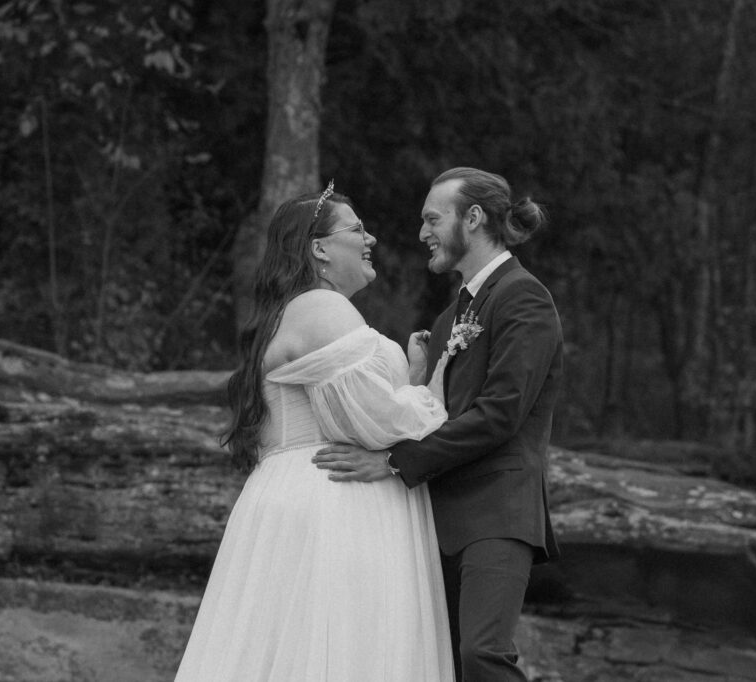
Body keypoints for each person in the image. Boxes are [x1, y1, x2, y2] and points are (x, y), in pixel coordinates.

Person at [174, 183, 455, 681]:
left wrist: (406, 381)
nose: (371, 239)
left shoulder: (296, 311)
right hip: (332, 500)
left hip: (306, 492)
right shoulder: (322, 308)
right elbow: (376, 423)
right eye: (357, 229)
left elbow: (354, 408)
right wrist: (431, 390)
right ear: (319, 248)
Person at [313, 167, 563, 681]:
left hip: (498, 512)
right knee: (441, 666)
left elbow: (500, 414)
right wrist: (414, 384)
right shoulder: (451, 318)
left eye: (433, 218)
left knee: (483, 656)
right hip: (437, 518)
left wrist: (392, 461)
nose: (423, 232)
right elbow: (435, 414)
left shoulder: (524, 297)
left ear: (472, 218)